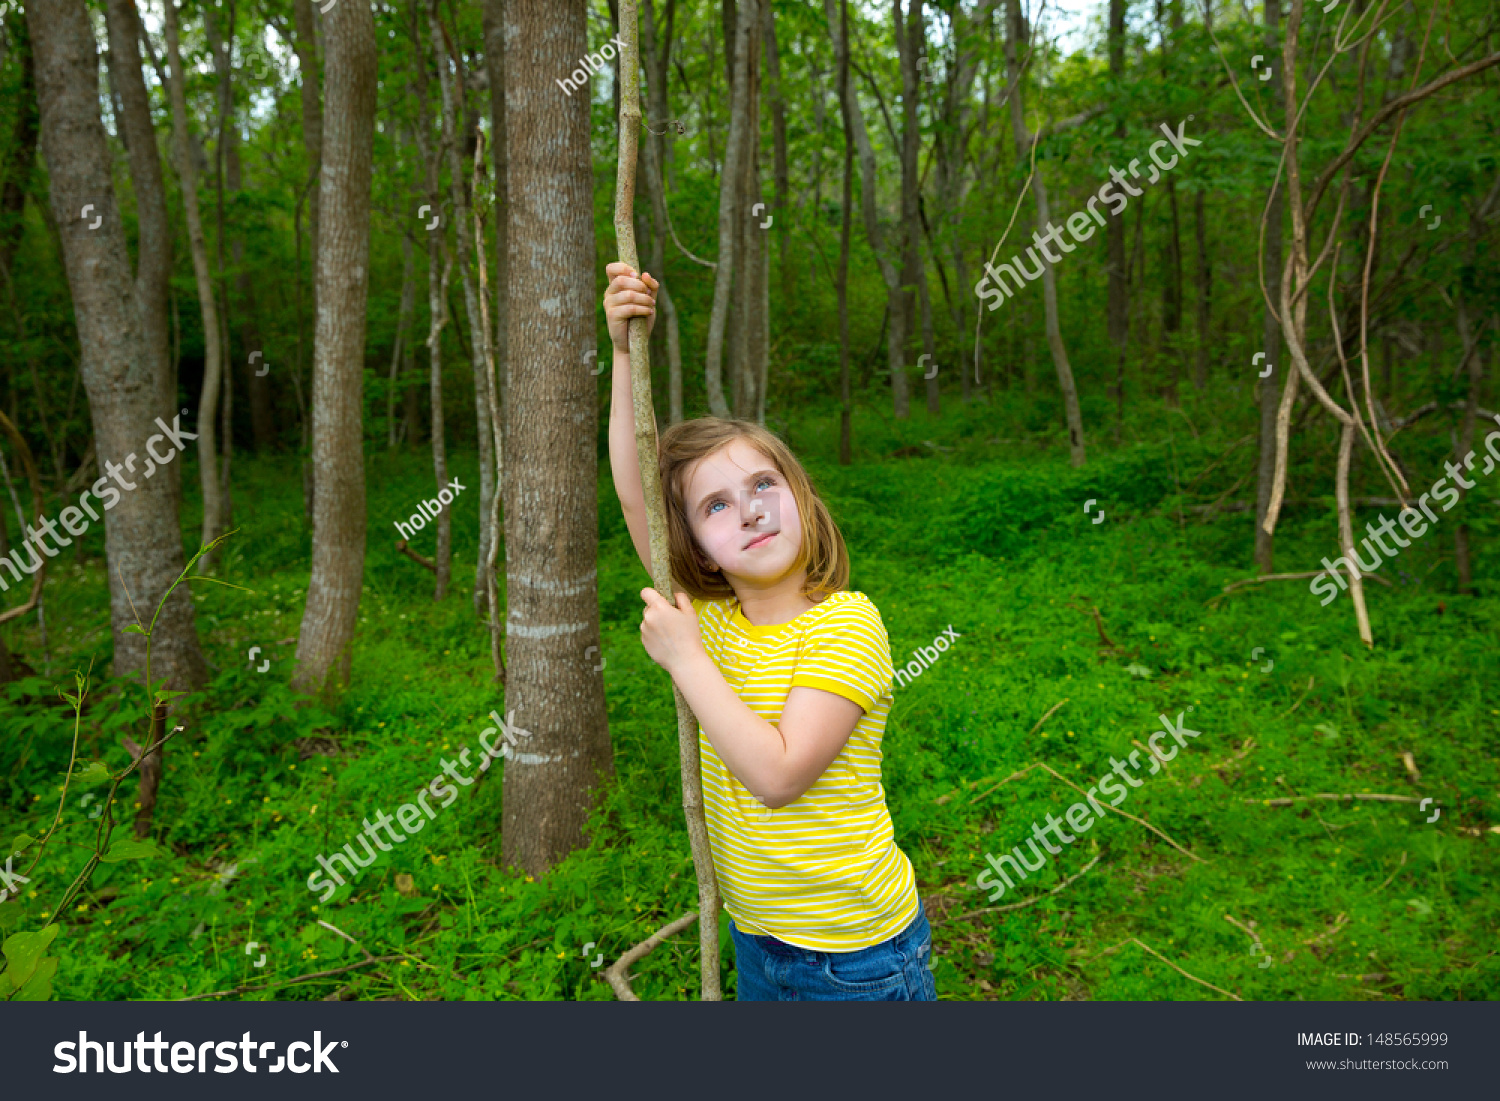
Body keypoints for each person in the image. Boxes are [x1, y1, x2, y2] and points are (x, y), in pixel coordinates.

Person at [601, 262, 936, 1001]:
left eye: (761, 486)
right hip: (757, 936)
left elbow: (780, 776)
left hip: (855, 955)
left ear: (801, 499)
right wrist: (626, 352)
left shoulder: (846, 624)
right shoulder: (712, 616)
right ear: (691, 539)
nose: (748, 509)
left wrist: (686, 661)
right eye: (715, 506)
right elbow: (634, 496)